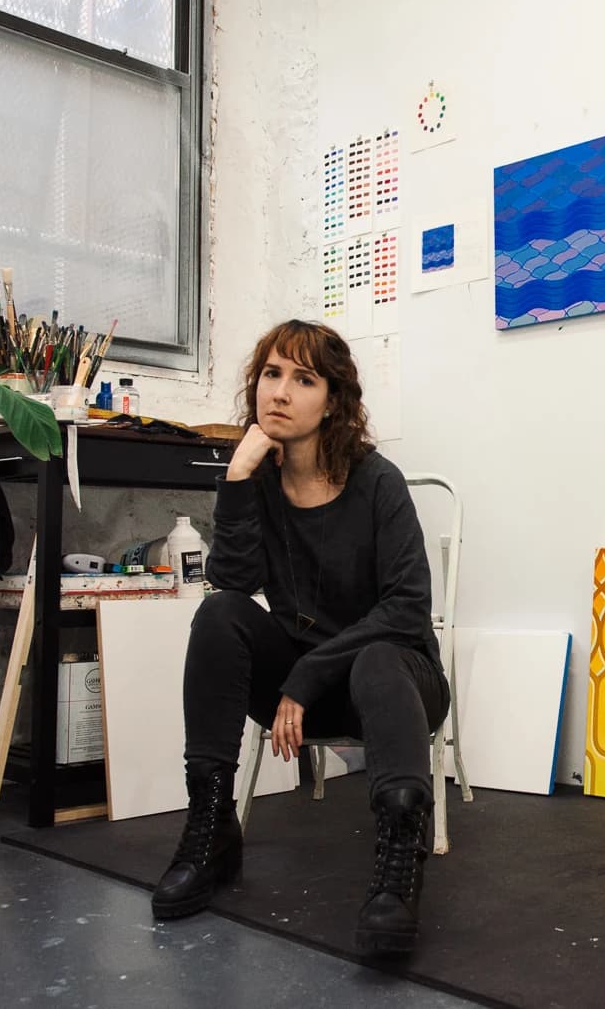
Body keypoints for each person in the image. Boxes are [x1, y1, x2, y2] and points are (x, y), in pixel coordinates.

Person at [151, 319, 450, 955]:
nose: (280, 393)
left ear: (334, 401)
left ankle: (398, 866)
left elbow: (406, 608)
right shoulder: (260, 480)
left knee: (375, 656)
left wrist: (305, 677)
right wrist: (235, 477)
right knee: (219, 615)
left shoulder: (377, 482)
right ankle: (210, 829)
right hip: (303, 686)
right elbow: (232, 581)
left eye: (304, 379)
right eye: (271, 374)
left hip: (395, 683)